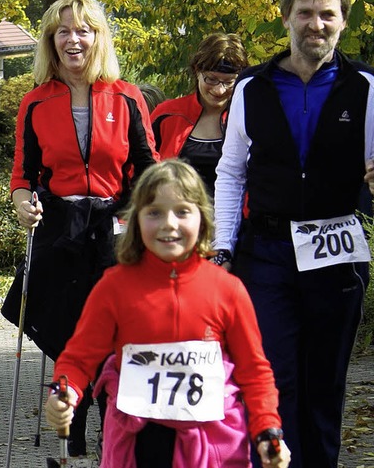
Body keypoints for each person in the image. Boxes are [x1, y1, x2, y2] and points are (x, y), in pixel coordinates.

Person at [213, 0, 374, 467]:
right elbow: (230, 173)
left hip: (337, 249)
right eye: (305, 13)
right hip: (267, 254)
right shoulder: (252, 88)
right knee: (274, 379)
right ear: (285, 18)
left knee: (325, 384)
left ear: (344, 22)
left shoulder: (365, 87)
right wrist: (223, 248)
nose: (315, 24)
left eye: (328, 14)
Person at [45, 159, 291, 468]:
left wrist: (268, 431)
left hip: (214, 446)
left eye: (182, 211)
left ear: (203, 218)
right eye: (155, 212)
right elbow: (79, 358)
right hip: (136, 445)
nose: (169, 224)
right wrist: (63, 391)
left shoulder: (229, 290)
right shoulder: (113, 288)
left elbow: (254, 372)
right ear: (136, 221)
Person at [1, 0, 159, 457]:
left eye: (83, 31)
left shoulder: (127, 96)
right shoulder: (34, 102)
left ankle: (112, 419)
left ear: (98, 38)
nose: (74, 40)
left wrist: (139, 216)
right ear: (51, 41)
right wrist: (22, 202)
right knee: (66, 327)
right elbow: (23, 175)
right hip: (59, 225)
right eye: (63, 31)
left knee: (114, 328)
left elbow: (149, 169)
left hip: (114, 224)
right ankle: (74, 419)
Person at [150, 33, 248, 194]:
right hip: (175, 215)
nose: (219, 90)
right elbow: (139, 170)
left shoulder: (248, 118)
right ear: (197, 71)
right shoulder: (167, 114)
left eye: (229, 82)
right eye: (211, 79)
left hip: (232, 217)